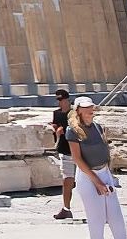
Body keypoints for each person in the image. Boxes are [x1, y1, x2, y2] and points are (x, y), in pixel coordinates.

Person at [66, 96, 126, 239]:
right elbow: (77, 159)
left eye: (91, 107)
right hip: (88, 177)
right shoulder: (73, 130)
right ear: (78, 110)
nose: (90, 110)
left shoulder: (98, 127)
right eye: (85, 108)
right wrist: (97, 182)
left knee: (116, 217)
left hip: (105, 173)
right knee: (96, 219)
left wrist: (109, 176)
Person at [52, 88, 76, 220]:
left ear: (67, 99)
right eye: (58, 100)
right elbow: (55, 129)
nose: (60, 103)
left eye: (62, 100)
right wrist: (57, 131)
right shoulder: (56, 114)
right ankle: (66, 209)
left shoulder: (75, 113)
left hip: (80, 151)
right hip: (66, 151)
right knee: (67, 181)